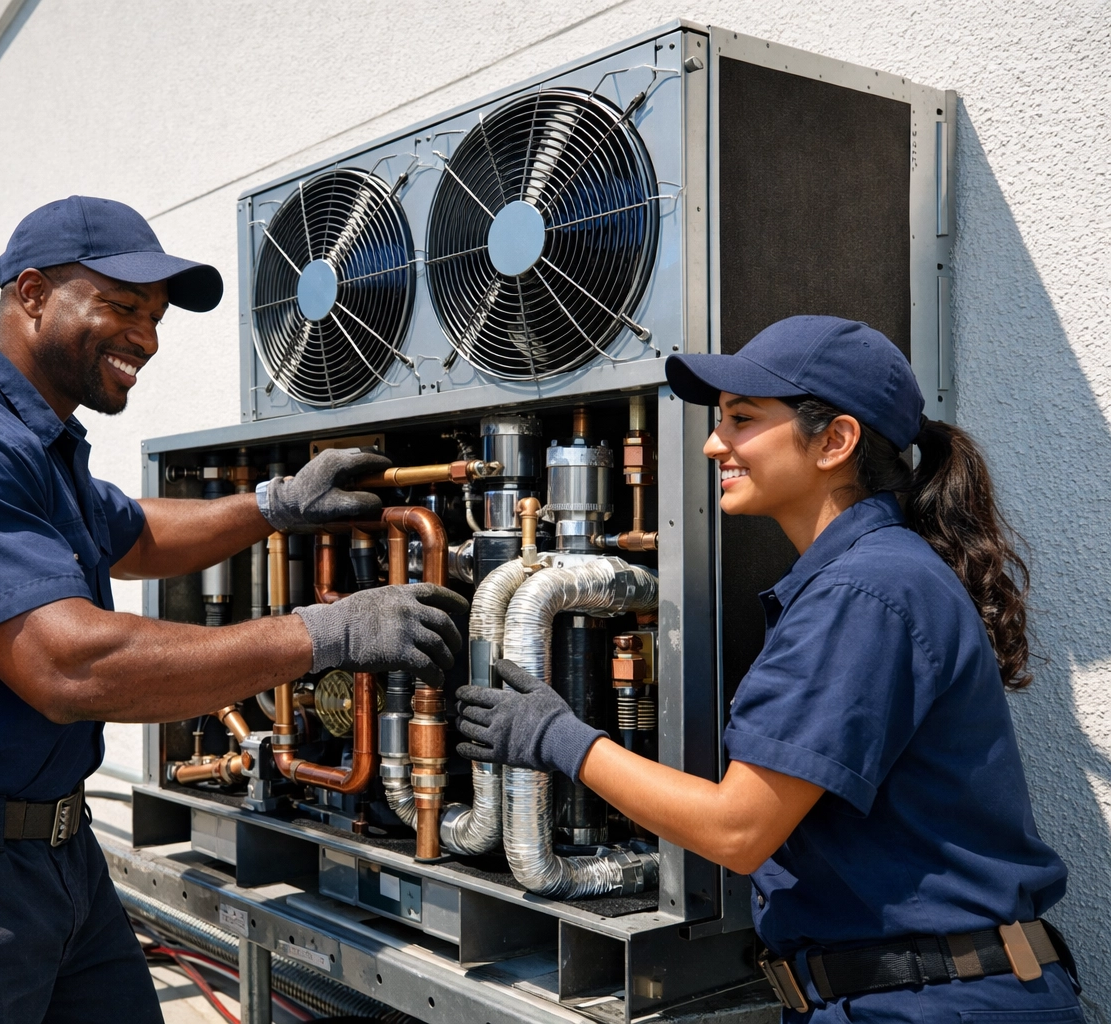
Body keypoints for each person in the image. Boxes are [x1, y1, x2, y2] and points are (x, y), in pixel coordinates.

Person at [0, 195, 465, 1023]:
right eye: (121, 305)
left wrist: (276, 505)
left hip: (54, 861)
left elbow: (135, 533)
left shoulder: (35, 441)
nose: (146, 337)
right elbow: (71, 666)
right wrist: (328, 633)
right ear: (31, 293)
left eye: (155, 317)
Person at [457, 316, 1079, 1023]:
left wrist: (561, 739)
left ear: (836, 441)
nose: (713, 442)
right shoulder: (865, 578)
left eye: (743, 419)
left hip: (933, 1004)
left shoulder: (864, 592)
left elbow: (738, 830)